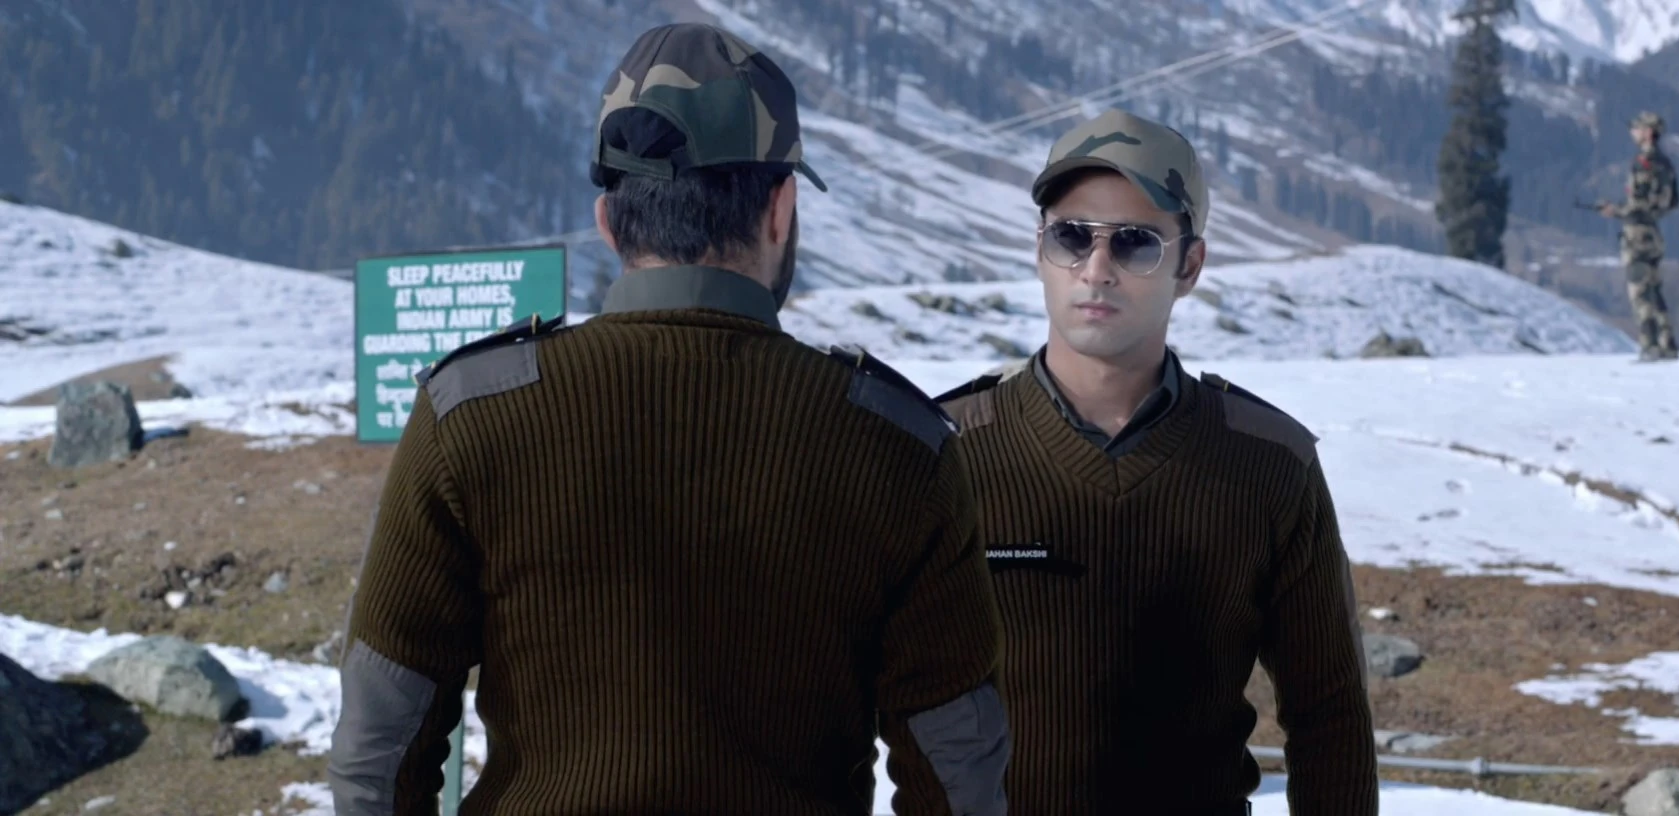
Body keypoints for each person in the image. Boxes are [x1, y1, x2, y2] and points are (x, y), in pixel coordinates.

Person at [326, 22, 1009, 816]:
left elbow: (379, 745)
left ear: (608, 221)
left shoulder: (470, 414)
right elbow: (957, 773)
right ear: (780, 210)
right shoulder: (899, 445)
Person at [932, 108, 1379, 815]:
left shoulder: (1268, 464)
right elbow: (850, 701)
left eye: (1135, 244)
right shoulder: (942, 451)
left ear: (1189, 265)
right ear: (1039, 248)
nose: (1096, 270)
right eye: (1070, 237)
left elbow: (1330, 716)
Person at [1600, 110, 1679, 361]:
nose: (1632, 132)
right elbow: (1672, 202)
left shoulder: (1644, 162)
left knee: (1640, 291)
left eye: (1637, 128)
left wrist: (1616, 211)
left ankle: (1650, 346)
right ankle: (1667, 344)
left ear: (1648, 132)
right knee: (1654, 288)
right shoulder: (1666, 163)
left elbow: (1639, 203)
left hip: (1637, 234)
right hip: (1654, 233)